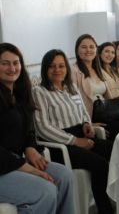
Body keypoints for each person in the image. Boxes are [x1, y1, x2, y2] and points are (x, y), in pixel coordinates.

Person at [33, 49, 114, 214]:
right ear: (45, 69)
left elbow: (83, 110)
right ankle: (104, 209)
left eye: (61, 65)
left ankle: (117, 196)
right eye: (52, 66)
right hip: (60, 144)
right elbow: (43, 127)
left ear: (67, 68)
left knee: (115, 149)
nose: (57, 70)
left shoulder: (71, 87)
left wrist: (86, 123)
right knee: (99, 164)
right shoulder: (39, 92)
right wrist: (75, 141)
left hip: (80, 133)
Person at [0, 43, 75, 214]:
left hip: (18, 162)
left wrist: (30, 147)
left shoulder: (19, 94)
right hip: (4, 168)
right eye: (5, 63)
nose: (12, 68)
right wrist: (26, 168)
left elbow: (29, 129)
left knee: (64, 176)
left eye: (16, 62)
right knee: (45, 191)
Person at [71, 34, 119, 138]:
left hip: (106, 113)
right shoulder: (74, 71)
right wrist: (87, 123)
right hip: (91, 118)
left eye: (91, 47)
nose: (88, 50)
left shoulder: (98, 69)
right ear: (77, 50)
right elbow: (73, 102)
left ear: (96, 49)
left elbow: (109, 96)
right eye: (84, 47)